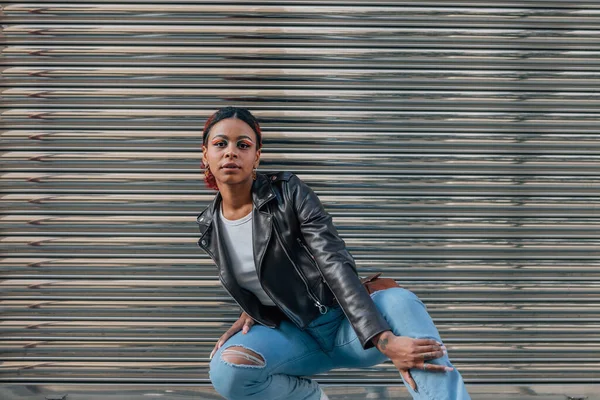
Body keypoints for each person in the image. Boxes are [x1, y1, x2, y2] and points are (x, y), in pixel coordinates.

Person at [196, 106, 471, 400]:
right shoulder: (210, 226)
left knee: (401, 302)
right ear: (205, 155)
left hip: (348, 326)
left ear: (256, 157)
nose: (231, 152)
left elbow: (334, 262)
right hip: (294, 337)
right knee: (227, 369)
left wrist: (383, 338)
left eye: (243, 145)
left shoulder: (288, 192)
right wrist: (252, 309)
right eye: (220, 143)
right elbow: (264, 267)